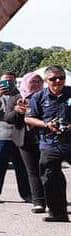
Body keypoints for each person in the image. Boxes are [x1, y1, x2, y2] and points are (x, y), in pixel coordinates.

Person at [25, 65, 71, 222]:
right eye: (53, 78)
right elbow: (28, 118)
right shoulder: (38, 97)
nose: (58, 81)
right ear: (46, 81)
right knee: (50, 178)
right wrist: (46, 124)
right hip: (50, 144)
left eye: (61, 77)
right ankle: (58, 214)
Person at [0, 71, 31, 204]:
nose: (8, 83)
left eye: (11, 81)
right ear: (0, 82)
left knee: (23, 167)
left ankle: (27, 194)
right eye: (5, 81)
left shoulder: (21, 95)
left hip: (19, 136)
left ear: (15, 82)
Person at [10, 72, 47, 213]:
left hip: (45, 139)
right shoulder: (17, 98)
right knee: (33, 172)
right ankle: (38, 202)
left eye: (39, 81)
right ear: (26, 82)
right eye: (33, 81)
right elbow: (8, 118)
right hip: (25, 140)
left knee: (48, 170)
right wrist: (18, 111)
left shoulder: (46, 97)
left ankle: (52, 199)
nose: (36, 84)